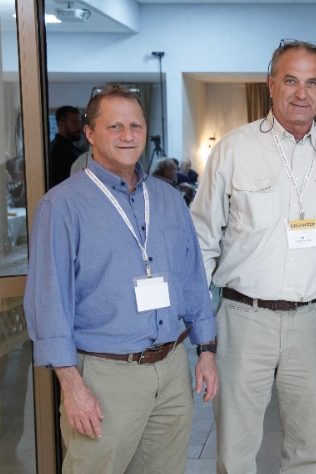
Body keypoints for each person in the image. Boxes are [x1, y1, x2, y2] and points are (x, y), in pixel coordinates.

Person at [25, 85, 219, 474]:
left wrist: (207, 351)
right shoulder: (61, 206)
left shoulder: (168, 199)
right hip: (105, 376)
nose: (127, 135)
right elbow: (49, 302)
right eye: (114, 126)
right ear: (90, 133)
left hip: (172, 371)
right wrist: (72, 386)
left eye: (135, 125)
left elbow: (192, 279)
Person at [190, 40, 316, 474]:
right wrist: (201, 329)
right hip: (243, 320)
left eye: (312, 82)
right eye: (290, 80)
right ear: (270, 84)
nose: (301, 93)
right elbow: (202, 240)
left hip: (315, 321)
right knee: (235, 451)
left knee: (307, 448)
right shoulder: (233, 149)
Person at [49, 105, 84, 187]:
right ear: (61, 124)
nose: (79, 127)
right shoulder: (59, 151)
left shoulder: (69, 148)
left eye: (80, 122)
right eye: (74, 123)